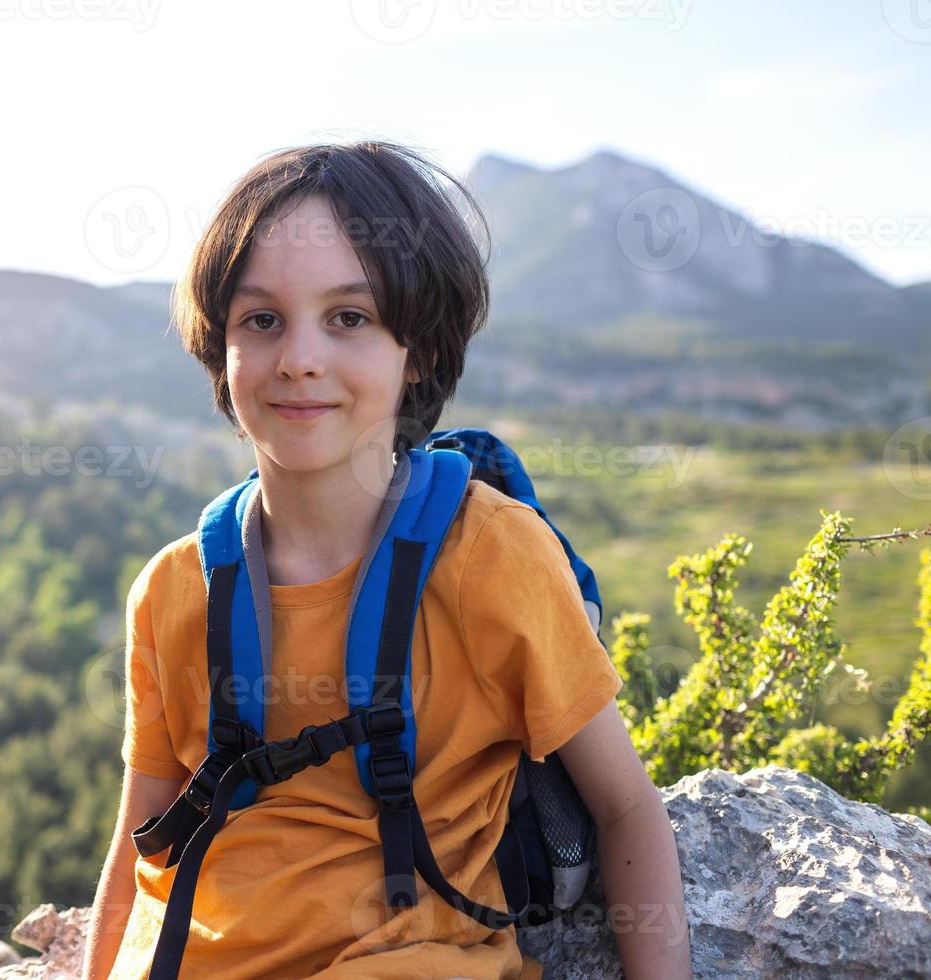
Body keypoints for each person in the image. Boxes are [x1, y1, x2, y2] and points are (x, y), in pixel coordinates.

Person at [81, 141, 691, 980]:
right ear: (219, 349)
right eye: (261, 319)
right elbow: (142, 834)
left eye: (349, 318)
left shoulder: (490, 555)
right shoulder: (175, 589)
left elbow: (627, 808)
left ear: (421, 355)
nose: (299, 357)